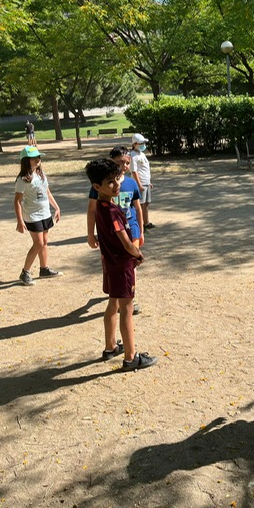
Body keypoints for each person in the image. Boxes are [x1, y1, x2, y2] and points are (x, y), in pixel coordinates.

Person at [85, 158, 158, 371]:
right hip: (121, 266)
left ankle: (110, 346)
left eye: (117, 179)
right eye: (110, 182)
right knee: (126, 309)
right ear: (97, 186)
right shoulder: (112, 210)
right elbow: (126, 242)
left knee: (113, 304)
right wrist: (138, 254)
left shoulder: (101, 207)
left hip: (110, 264)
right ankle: (130, 357)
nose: (116, 184)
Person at [87, 146, 144, 315]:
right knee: (116, 265)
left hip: (131, 229)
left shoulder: (131, 183)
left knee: (131, 264)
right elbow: (92, 210)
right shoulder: (102, 184)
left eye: (127, 162)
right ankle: (120, 296)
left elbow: (137, 208)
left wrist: (141, 231)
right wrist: (90, 234)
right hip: (113, 234)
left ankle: (129, 296)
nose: (124, 166)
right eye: (120, 162)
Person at [14, 145, 62, 286]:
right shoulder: (23, 179)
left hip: (45, 213)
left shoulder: (41, 174)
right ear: (26, 160)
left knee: (45, 241)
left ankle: (44, 269)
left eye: (38, 157)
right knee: (38, 243)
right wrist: (20, 221)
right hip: (32, 216)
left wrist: (57, 207)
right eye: (34, 157)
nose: (38, 159)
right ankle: (25, 272)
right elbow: (17, 201)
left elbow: (47, 192)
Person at [130, 133, 154, 230]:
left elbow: (145, 169)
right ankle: (138, 225)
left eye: (144, 143)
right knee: (139, 204)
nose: (143, 145)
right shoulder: (133, 155)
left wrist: (149, 182)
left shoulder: (142, 154)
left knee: (146, 203)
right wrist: (139, 184)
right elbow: (134, 171)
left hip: (146, 182)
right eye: (141, 143)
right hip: (140, 183)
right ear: (135, 144)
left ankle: (146, 223)